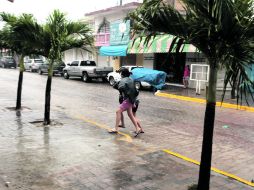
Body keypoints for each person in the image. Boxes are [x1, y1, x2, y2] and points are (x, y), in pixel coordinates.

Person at [109, 68, 142, 137]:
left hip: (128, 100)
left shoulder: (124, 80)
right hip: (131, 100)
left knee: (118, 112)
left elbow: (120, 88)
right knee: (130, 114)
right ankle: (138, 128)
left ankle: (115, 128)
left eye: (120, 73)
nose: (120, 74)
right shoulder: (130, 79)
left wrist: (119, 83)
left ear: (122, 74)